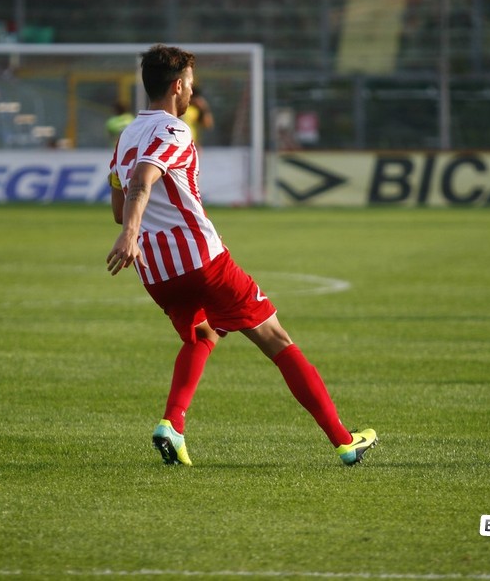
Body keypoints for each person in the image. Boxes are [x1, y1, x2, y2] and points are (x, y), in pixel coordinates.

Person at [106, 45, 377, 467]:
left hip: (156, 271)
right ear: (176, 87)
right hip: (202, 261)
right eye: (190, 85)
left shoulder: (127, 135)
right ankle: (345, 442)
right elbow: (142, 180)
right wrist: (129, 233)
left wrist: (131, 228)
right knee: (277, 340)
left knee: (203, 334)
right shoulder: (174, 130)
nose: (192, 93)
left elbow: (118, 199)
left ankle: (173, 424)